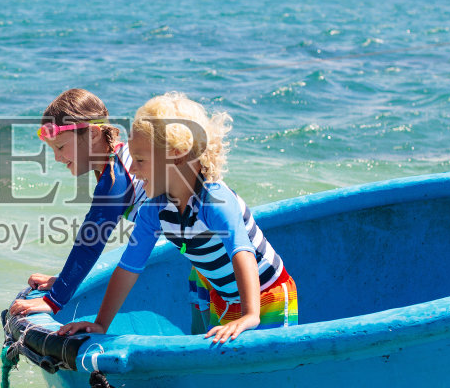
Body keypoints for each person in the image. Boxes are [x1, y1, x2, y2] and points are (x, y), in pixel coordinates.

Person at [58, 92, 297, 344]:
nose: (133, 170)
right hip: (223, 296)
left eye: (140, 160)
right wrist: (101, 324)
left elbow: (242, 252)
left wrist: (249, 315)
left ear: (178, 155)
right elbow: (128, 268)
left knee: (265, 361)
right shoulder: (154, 211)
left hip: (266, 295)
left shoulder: (214, 200)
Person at [8, 89, 146, 318]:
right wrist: (63, 280)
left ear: (92, 134)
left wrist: (54, 300)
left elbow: (89, 243)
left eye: (60, 147)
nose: (57, 157)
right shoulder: (120, 159)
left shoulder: (116, 178)